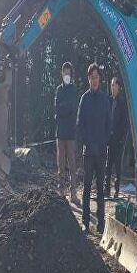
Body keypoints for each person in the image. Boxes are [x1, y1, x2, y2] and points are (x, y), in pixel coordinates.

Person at [77, 63, 111, 234]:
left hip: (101, 152)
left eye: (97, 77)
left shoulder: (105, 99)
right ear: (88, 79)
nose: (94, 80)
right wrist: (88, 143)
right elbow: (80, 124)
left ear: (99, 79)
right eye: (92, 77)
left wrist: (103, 143)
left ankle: (101, 223)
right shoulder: (84, 99)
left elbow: (108, 125)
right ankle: (85, 221)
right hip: (88, 151)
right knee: (86, 187)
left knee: (100, 189)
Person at [54, 62, 79, 204]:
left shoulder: (73, 89)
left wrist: (63, 109)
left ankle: (73, 193)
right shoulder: (58, 90)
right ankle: (61, 191)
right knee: (60, 164)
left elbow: (71, 108)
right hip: (60, 133)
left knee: (72, 165)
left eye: (69, 73)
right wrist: (64, 108)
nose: (67, 75)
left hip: (70, 133)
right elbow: (57, 109)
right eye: (65, 73)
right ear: (61, 74)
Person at [105, 77, 128, 198]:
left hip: (118, 139)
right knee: (107, 165)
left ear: (118, 87)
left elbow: (125, 122)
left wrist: (121, 137)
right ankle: (107, 190)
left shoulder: (122, 102)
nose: (112, 87)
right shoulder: (108, 101)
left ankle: (117, 190)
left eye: (114, 85)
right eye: (111, 85)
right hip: (108, 138)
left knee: (117, 166)